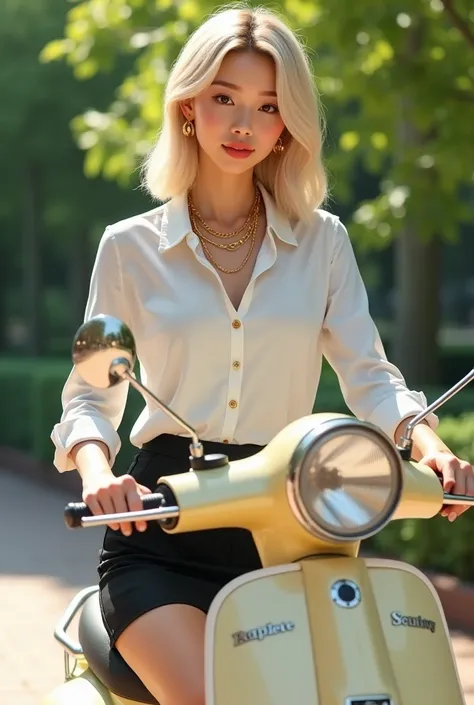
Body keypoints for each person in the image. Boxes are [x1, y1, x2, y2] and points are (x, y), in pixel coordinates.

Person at [51, 6, 474, 705]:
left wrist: (427, 443)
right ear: (188, 107)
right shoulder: (128, 246)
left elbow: (370, 375)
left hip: (296, 523)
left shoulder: (323, 243)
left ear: (288, 126)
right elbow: (92, 391)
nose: (244, 124)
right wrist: (101, 475)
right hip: (164, 523)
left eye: (269, 107)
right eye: (225, 99)